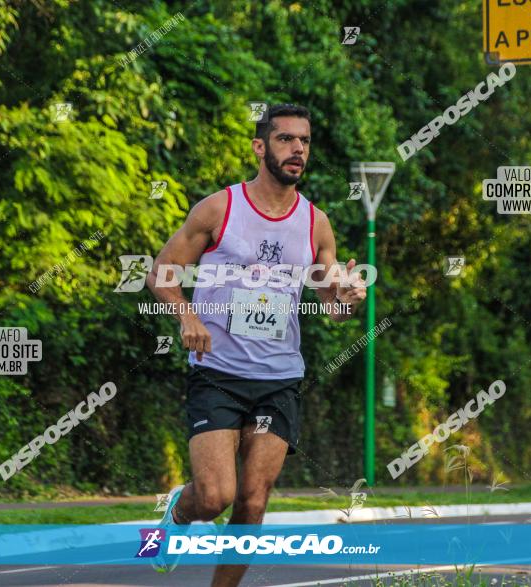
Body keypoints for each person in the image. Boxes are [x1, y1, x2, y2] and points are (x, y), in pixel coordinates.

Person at [146, 103, 367, 586]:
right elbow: (160, 273)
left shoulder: (315, 224)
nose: (297, 150)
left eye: (304, 141)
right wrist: (186, 315)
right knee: (215, 495)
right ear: (260, 146)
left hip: (279, 378)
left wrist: (348, 296)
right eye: (286, 139)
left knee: (253, 500)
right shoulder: (219, 209)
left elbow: (333, 303)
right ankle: (178, 518)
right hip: (217, 371)